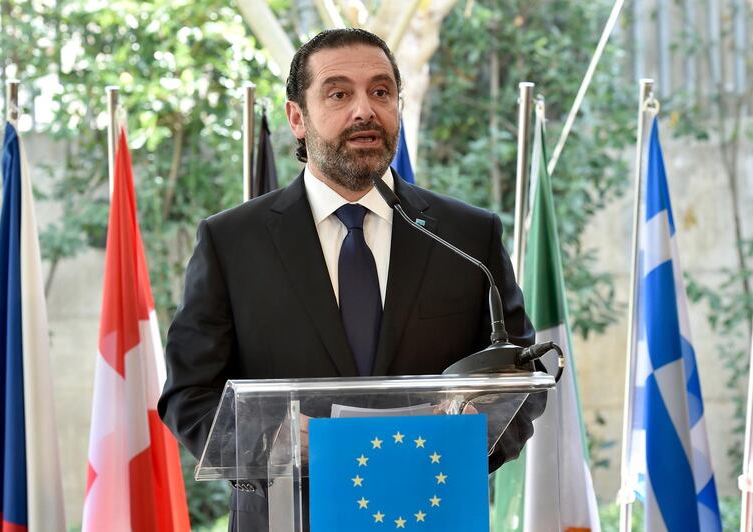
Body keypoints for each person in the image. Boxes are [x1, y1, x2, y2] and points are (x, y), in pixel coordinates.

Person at [159, 28, 544, 530]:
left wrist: (456, 445)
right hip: (287, 514)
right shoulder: (232, 241)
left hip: (431, 508)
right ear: (297, 117)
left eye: (381, 92)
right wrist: (270, 441)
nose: (365, 110)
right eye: (339, 93)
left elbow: (519, 382)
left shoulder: (467, 236)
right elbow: (188, 395)